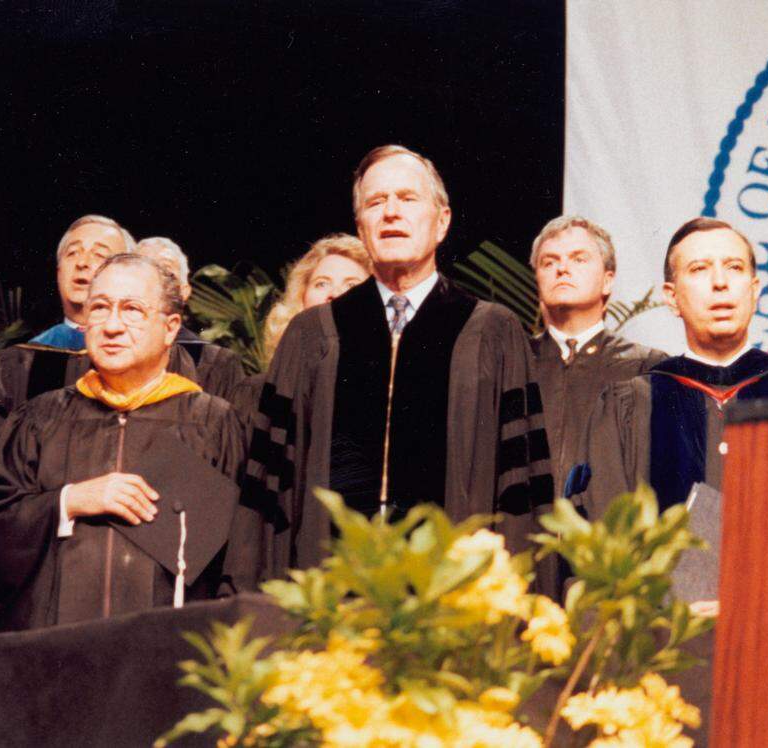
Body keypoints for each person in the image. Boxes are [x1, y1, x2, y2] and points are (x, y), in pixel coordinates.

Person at [225, 145, 553, 592]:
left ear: (442, 222)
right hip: (327, 595)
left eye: (407, 199)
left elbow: (521, 490)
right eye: (376, 203)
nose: (391, 213)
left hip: (453, 598)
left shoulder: (491, 332)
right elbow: (271, 489)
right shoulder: (312, 335)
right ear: (361, 228)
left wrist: (513, 601)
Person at [0, 254, 244, 632]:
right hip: (51, 653)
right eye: (99, 308)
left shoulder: (213, 423)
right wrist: (68, 502)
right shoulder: (39, 419)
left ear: (171, 327)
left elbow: (239, 558)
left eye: (132, 310)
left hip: (167, 654)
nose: (112, 325)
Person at [572, 217, 768, 517]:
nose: (720, 283)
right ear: (672, 297)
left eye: (734, 267)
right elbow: (607, 534)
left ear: (755, 290)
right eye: (699, 269)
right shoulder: (631, 404)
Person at [528, 216, 665, 599]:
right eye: (549, 261)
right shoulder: (511, 361)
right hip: (521, 564)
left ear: (607, 280)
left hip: (605, 567)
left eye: (578, 258)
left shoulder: (647, 367)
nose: (562, 268)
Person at [0, 215, 134, 453]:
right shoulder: (16, 362)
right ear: (58, 272)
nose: (82, 263)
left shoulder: (149, 359)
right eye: (72, 253)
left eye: (99, 254)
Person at [230, 233, 372, 418]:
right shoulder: (255, 394)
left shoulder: (389, 393)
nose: (335, 293)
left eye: (351, 285)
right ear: (301, 298)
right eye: (321, 284)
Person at [135, 236, 245, 399]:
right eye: (142, 271)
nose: (154, 282)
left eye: (167, 273)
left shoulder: (219, 365)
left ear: (185, 291)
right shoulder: (102, 357)